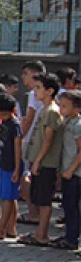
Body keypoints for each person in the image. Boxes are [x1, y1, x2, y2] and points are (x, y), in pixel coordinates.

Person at [19, 73, 61, 246]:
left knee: (44, 200)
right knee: (39, 196)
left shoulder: (52, 111)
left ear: (50, 91)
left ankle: (42, 234)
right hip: (39, 160)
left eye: (39, 88)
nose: (35, 91)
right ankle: (39, 232)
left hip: (46, 162)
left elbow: (48, 140)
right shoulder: (44, 109)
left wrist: (37, 161)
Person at [0, 94, 22, 240]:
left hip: (11, 166)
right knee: (10, 197)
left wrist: (16, 168)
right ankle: (11, 227)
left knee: (6, 199)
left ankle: (1, 228)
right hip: (3, 164)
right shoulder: (3, 124)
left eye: (5, 113)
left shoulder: (15, 125)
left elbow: (17, 147)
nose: (2, 116)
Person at [52, 90, 81, 250]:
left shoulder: (78, 125)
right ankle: (69, 235)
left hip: (75, 173)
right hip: (66, 171)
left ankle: (72, 239)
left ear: (77, 108)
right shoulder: (68, 123)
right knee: (67, 205)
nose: (61, 109)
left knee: (72, 206)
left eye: (65, 106)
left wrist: (70, 169)